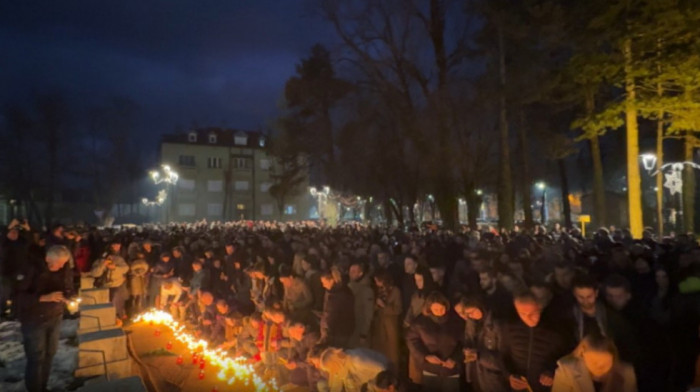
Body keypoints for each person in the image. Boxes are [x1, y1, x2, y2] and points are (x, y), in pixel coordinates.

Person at [15, 245, 73, 392]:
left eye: (63, 264)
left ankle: (43, 387)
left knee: (50, 354)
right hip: (34, 320)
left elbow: (67, 288)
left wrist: (68, 298)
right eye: (58, 263)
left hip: (55, 317)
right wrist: (43, 298)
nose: (61, 267)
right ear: (47, 259)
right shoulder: (31, 269)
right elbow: (17, 297)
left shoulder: (62, 269)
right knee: (36, 358)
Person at [500, 291, 567, 392]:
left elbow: (565, 357)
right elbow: (503, 354)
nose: (528, 318)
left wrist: (552, 371)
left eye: (533, 313)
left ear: (540, 307)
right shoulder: (509, 328)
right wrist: (509, 375)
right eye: (522, 314)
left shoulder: (555, 330)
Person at [406, 291, 464, 392]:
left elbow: (464, 343)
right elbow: (412, 341)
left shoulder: (456, 322)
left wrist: (455, 358)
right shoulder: (420, 323)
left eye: (442, 308)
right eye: (436, 309)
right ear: (429, 308)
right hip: (430, 368)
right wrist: (425, 356)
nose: (439, 311)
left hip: (451, 369)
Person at [454, 296, 508, 392]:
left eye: (473, 311)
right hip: (476, 375)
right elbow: (469, 342)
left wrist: (479, 355)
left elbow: (504, 358)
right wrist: (467, 350)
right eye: (468, 314)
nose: (471, 315)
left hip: (493, 378)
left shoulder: (496, 326)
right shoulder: (471, 325)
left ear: (480, 306)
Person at [552, 334, 637, 392]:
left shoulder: (627, 372)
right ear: (582, 355)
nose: (600, 367)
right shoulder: (567, 371)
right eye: (593, 362)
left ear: (613, 357)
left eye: (606, 363)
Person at [309, 346, 390, 392]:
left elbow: (382, 368)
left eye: (330, 369)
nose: (331, 372)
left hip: (383, 381)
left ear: (334, 364)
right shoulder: (343, 367)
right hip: (370, 383)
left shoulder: (357, 361)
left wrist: (375, 387)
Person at [370, 269, 402, 371]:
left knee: (391, 351)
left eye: (377, 281)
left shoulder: (395, 291)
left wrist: (384, 306)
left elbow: (398, 309)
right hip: (380, 324)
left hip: (390, 325)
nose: (376, 283)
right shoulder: (378, 291)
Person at [90, 243, 130, 323]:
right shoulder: (100, 261)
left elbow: (126, 268)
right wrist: (103, 264)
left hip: (117, 284)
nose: (110, 258)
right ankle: (110, 321)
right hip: (104, 286)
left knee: (118, 303)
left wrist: (115, 267)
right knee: (108, 305)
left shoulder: (119, 259)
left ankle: (119, 319)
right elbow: (94, 273)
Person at [319, 267, 355, 348]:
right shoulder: (334, 292)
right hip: (339, 330)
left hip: (339, 332)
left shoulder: (339, 295)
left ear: (331, 280)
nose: (323, 285)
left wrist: (327, 332)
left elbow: (333, 315)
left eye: (324, 282)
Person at [348, 259, 375, 348]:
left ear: (361, 273)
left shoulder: (366, 290)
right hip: (351, 327)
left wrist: (364, 333)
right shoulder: (350, 287)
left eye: (354, 271)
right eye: (350, 271)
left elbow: (368, 313)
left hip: (360, 329)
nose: (351, 273)